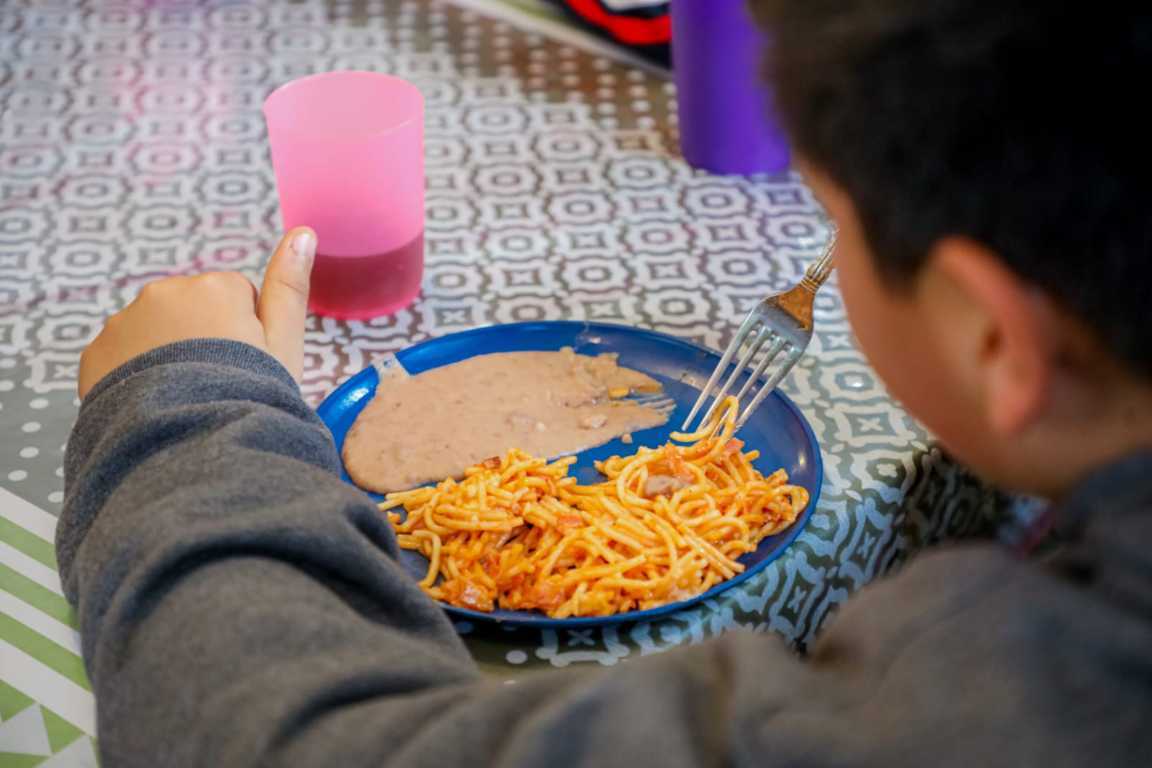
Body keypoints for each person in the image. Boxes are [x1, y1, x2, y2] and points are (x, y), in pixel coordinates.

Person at [59, 0, 1152, 765]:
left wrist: (183, 408)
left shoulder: (1012, 706)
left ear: (998, 339)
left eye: (836, 219)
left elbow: (262, 738)